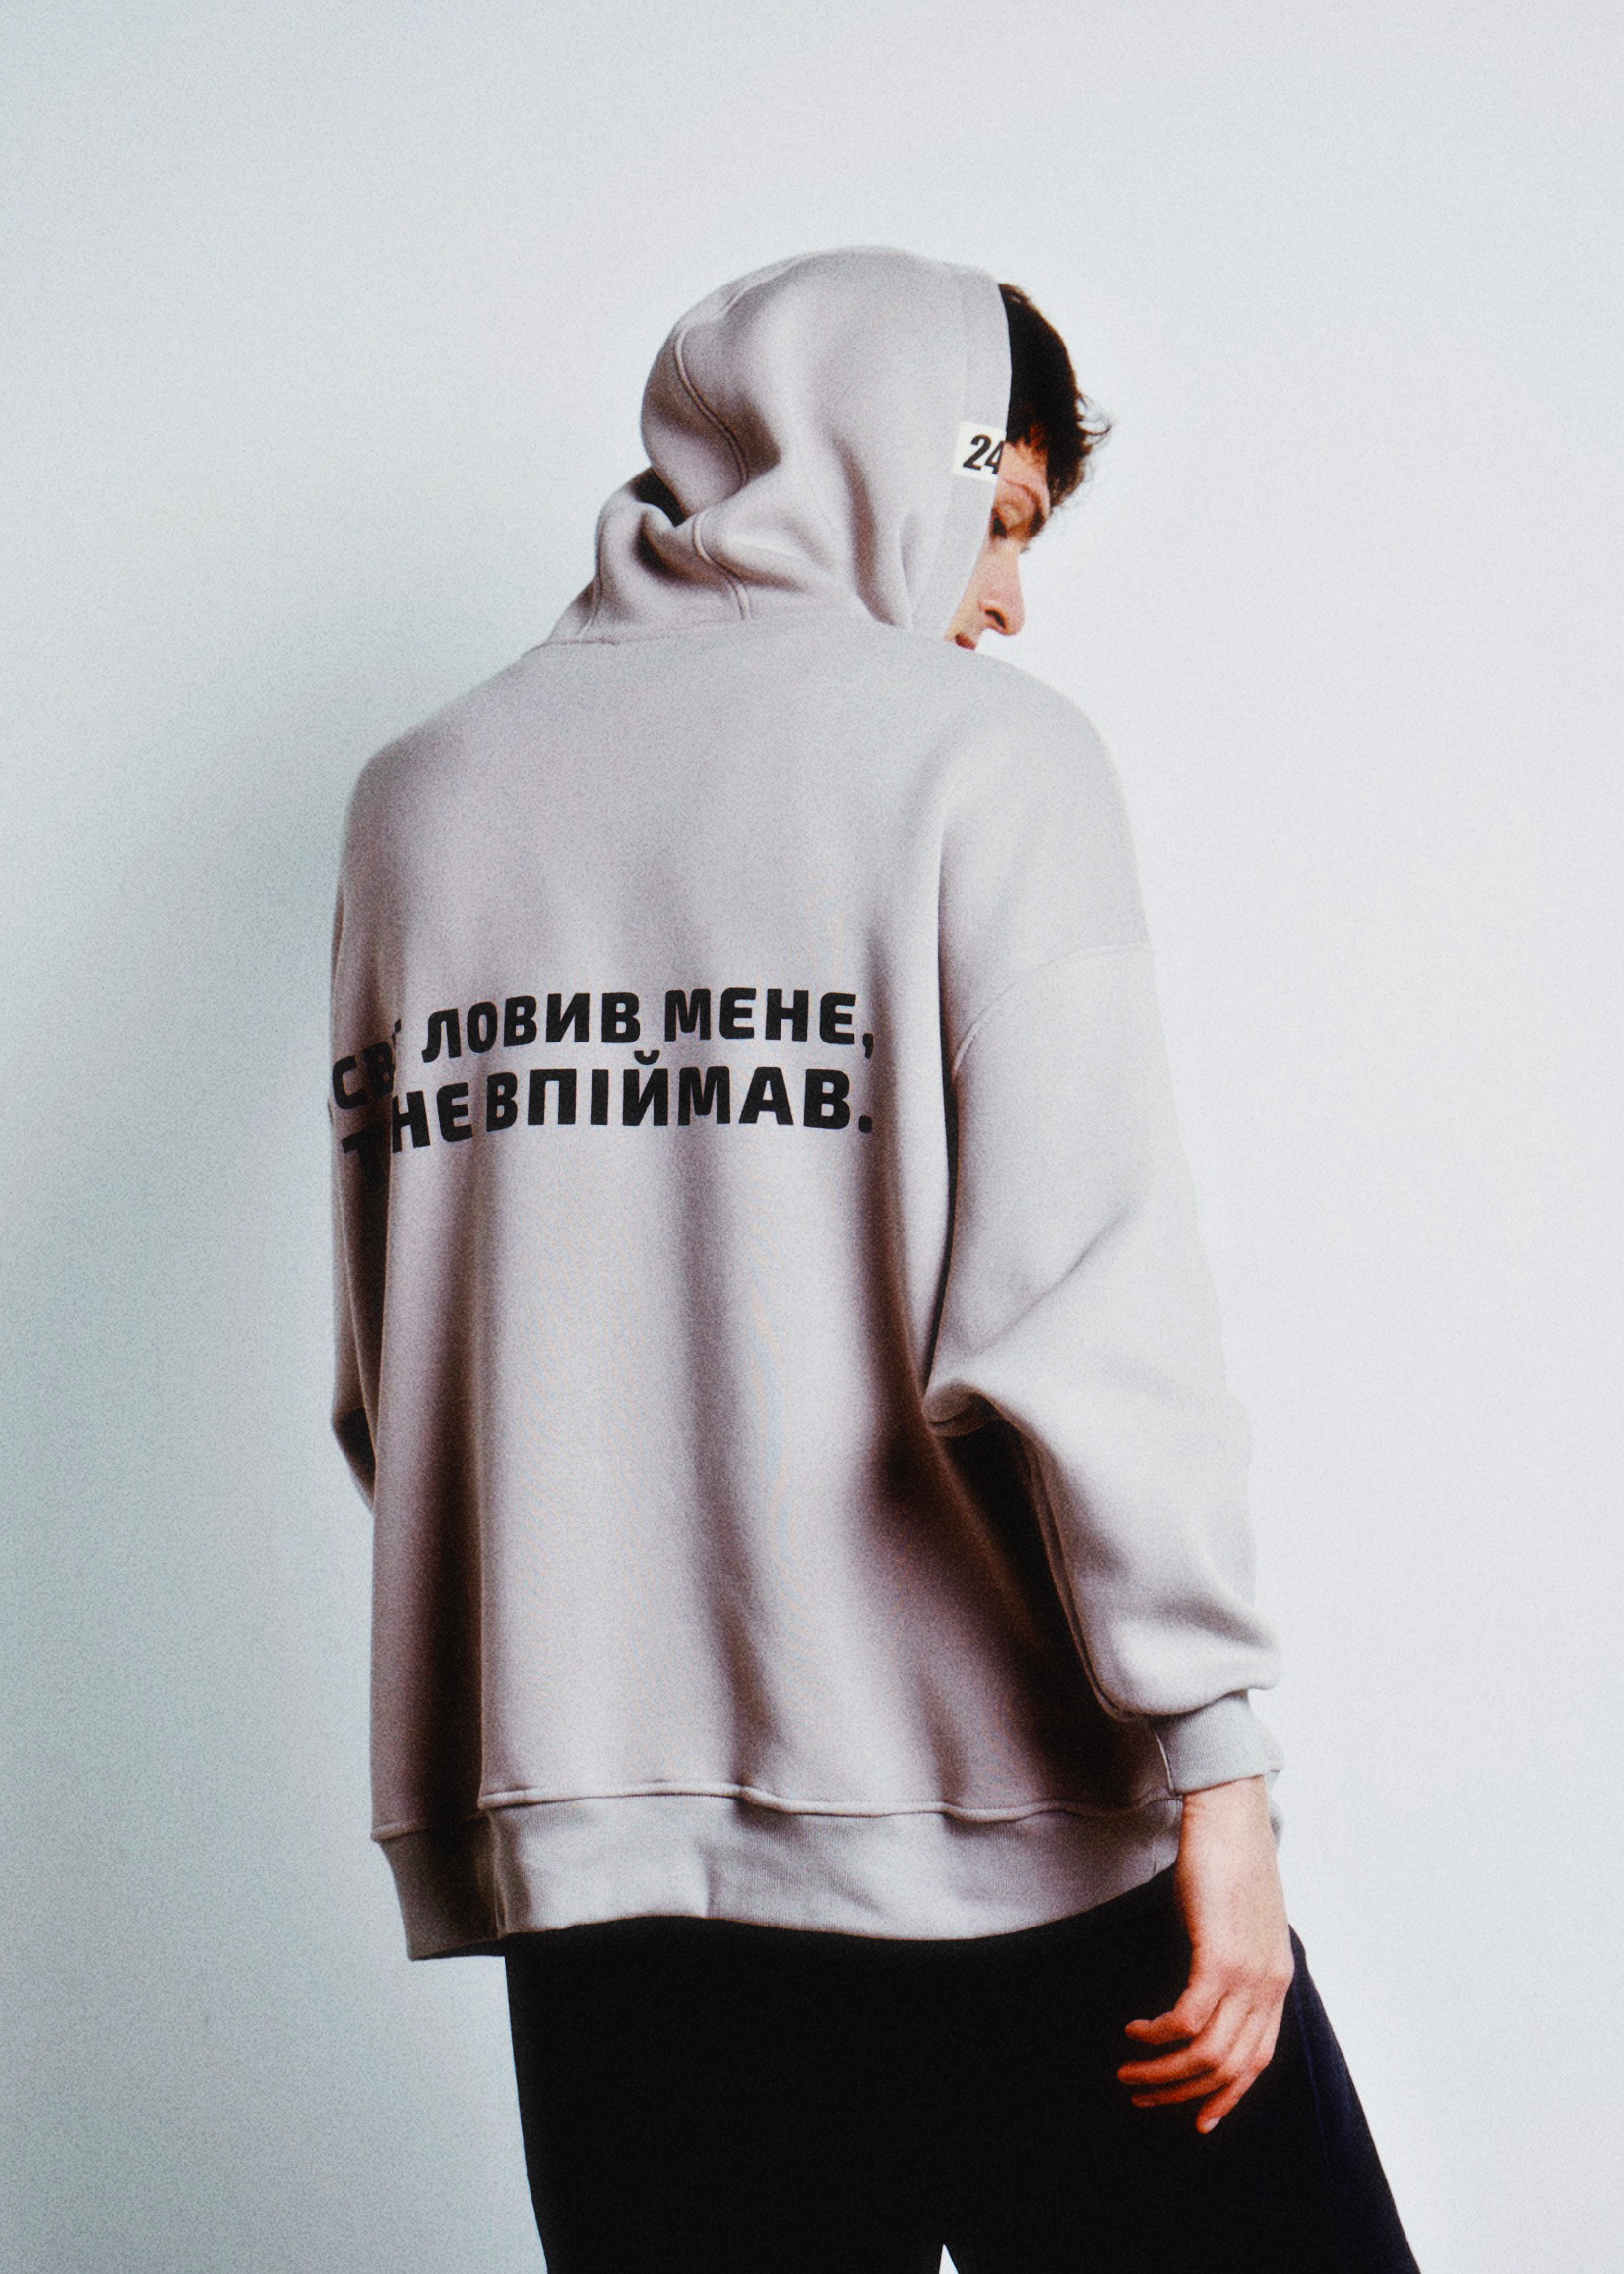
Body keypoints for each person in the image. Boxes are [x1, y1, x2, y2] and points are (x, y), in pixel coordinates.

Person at [328, 248, 1419, 2272]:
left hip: (607, 1887)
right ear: (927, 458)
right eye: (1006, 521)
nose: (1004, 602)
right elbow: (1083, 1320)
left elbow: (396, 1379)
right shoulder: (980, 760)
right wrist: (1218, 1765)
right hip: (997, 1832)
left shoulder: (421, 801)